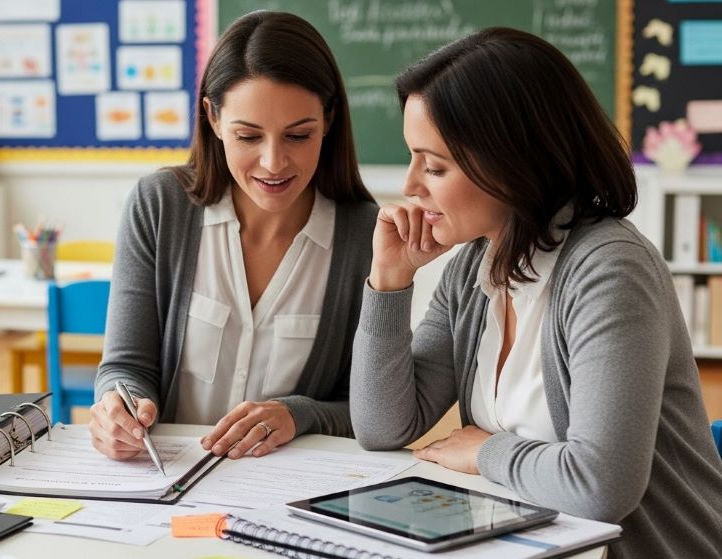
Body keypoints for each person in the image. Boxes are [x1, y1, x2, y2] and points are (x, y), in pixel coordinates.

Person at [350, 27, 722, 557]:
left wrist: (486, 453)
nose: (411, 185)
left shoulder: (609, 271)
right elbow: (384, 427)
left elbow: (600, 487)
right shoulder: (473, 268)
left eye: (435, 166)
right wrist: (390, 280)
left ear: (509, 163)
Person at [90, 11, 377, 462]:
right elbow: (126, 367)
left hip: (287, 497)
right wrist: (118, 409)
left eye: (298, 135)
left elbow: (370, 413)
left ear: (328, 120)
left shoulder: (365, 235)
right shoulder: (160, 205)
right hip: (166, 484)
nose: (274, 163)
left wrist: (298, 414)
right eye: (248, 136)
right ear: (214, 118)